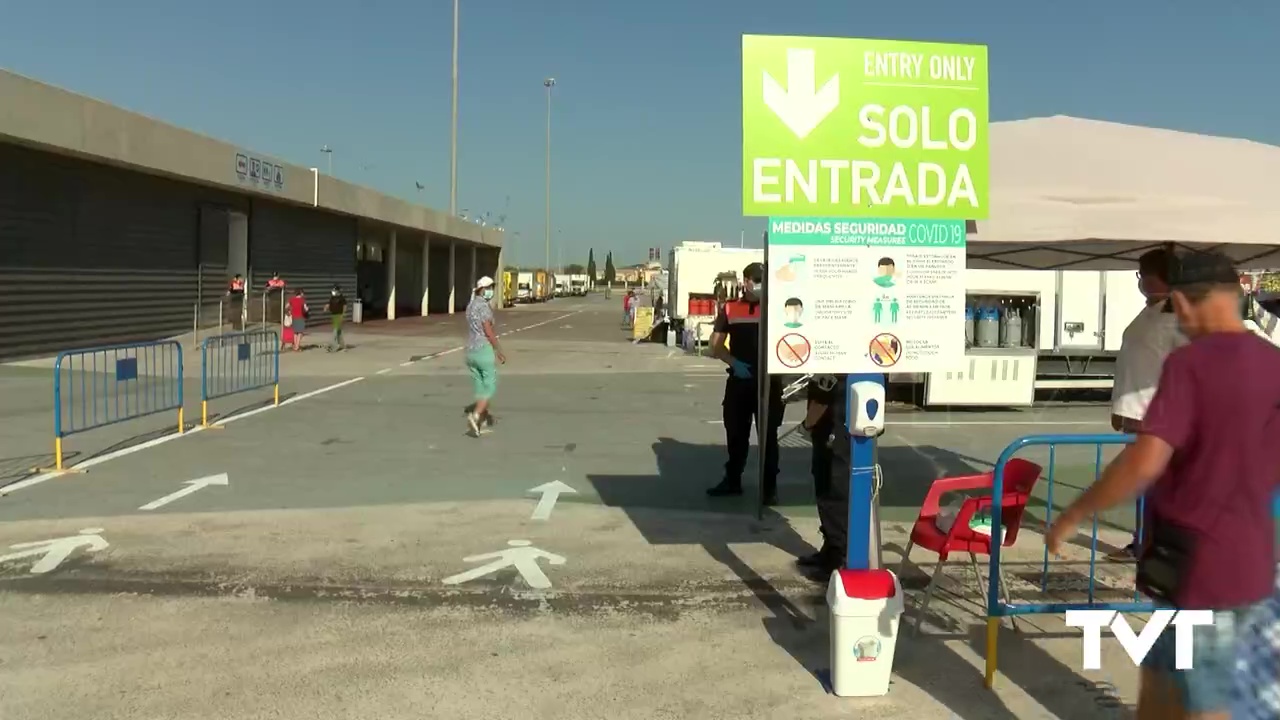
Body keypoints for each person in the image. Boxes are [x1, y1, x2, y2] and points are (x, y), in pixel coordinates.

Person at [1045, 251, 1280, 720]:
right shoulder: (1273, 362)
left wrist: (1075, 512)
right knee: (1160, 683)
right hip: (1247, 561)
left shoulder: (1191, 364)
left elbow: (1145, 460)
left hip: (1201, 567)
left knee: (1208, 698)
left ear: (1182, 303)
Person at [1107, 248, 1185, 560]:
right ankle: (1144, 541)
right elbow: (1133, 363)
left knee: (1160, 487)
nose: (1141, 282)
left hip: (1155, 416)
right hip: (1134, 413)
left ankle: (1159, 547)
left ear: (1158, 277)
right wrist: (1120, 408)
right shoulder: (1151, 310)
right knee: (1144, 487)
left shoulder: (1177, 314)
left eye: (1144, 276)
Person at [705, 262, 785, 505]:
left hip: (770, 383)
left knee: (769, 438)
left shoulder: (777, 308)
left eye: (763, 280)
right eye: (756, 280)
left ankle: (769, 488)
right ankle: (732, 480)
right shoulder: (731, 309)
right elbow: (715, 346)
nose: (759, 285)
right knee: (736, 435)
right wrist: (733, 362)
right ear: (746, 281)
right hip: (740, 381)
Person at [795, 373, 844, 575]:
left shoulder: (830, 360)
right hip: (837, 431)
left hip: (831, 432)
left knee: (829, 492)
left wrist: (807, 425)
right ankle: (831, 548)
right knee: (829, 490)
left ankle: (836, 557)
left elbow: (823, 396)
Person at [464, 277, 506, 437]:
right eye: (490, 287)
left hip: (471, 350)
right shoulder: (484, 307)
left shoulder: (471, 306)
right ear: (482, 289)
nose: (491, 290)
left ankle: (479, 421)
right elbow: (488, 330)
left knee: (480, 386)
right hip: (483, 349)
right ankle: (475, 416)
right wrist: (498, 349)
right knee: (490, 386)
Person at [325, 284, 347, 352]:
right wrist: (326, 307)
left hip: (339, 315)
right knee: (339, 331)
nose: (333, 292)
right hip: (333, 315)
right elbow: (329, 304)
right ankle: (342, 345)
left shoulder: (341, 298)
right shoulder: (332, 298)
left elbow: (344, 306)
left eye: (334, 290)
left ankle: (333, 347)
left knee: (335, 331)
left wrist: (343, 315)